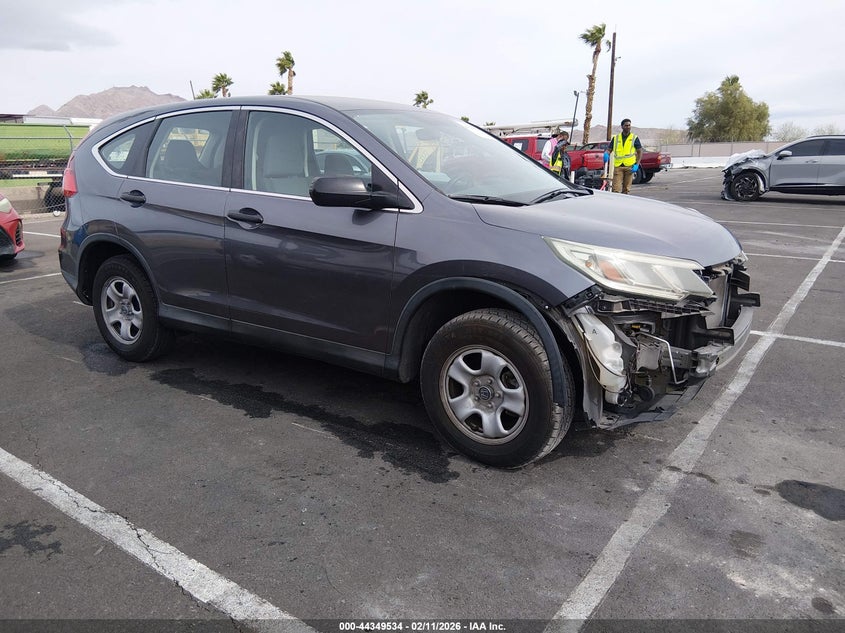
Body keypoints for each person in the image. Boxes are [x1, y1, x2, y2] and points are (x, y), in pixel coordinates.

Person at [610, 118, 643, 194]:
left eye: (629, 125)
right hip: (618, 167)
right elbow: (609, 149)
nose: (628, 127)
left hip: (630, 167)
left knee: (626, 189)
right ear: (622, 126)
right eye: (626, 125)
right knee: (616, 189)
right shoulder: (616, 138)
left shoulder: (634, 138)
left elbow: (640, 151)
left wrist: (637, 165)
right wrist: (606, 154)